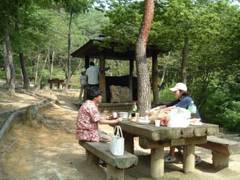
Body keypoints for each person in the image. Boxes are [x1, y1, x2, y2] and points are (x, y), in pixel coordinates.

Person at [163, 82, 201, 164]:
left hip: (193, 122)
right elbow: (167, 106)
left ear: (181, 92)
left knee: (176, 135)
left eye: (175, 91)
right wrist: (159, 108)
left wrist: (160, 111)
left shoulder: (187, 99)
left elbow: (173, 108)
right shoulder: (180, 99)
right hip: (186, 122)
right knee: (173, 131)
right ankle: (171, 155)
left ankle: (194, 157)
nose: (174, 93)